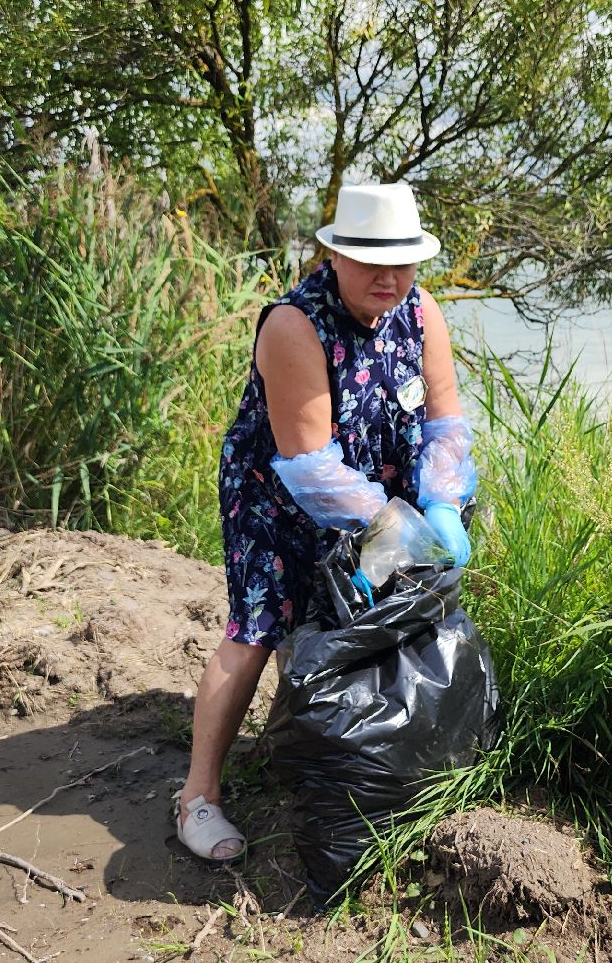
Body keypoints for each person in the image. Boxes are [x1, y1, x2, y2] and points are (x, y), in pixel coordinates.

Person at [174, 182, 480, 863]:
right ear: (334, 255)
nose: (388, 276)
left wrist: (440, 502)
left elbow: (446, 419)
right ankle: (198, 796)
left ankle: (353, 759)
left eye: (401, 260)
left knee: (379, 620)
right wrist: (401, 532)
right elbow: (311, 466)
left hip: (388, 494)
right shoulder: (294, 325)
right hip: (278, 494)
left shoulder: (422, 311)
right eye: (370, 259)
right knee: (257, 629)